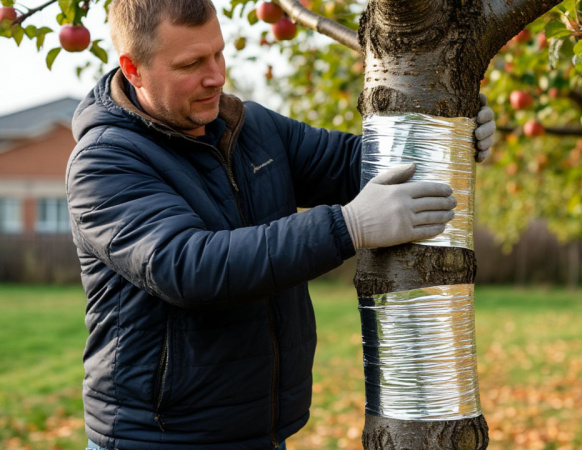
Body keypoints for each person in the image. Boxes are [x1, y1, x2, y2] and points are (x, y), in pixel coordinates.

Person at [67, 1, 496, 449]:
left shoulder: (252, 128)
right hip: (159, 440)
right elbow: (188, 267)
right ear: (133, 69)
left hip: (262, 434)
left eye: (218, 54)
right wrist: (348, 226)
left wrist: (449, 132)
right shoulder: (104, 162)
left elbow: (359, 164)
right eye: (191, 64)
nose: (215, 76)